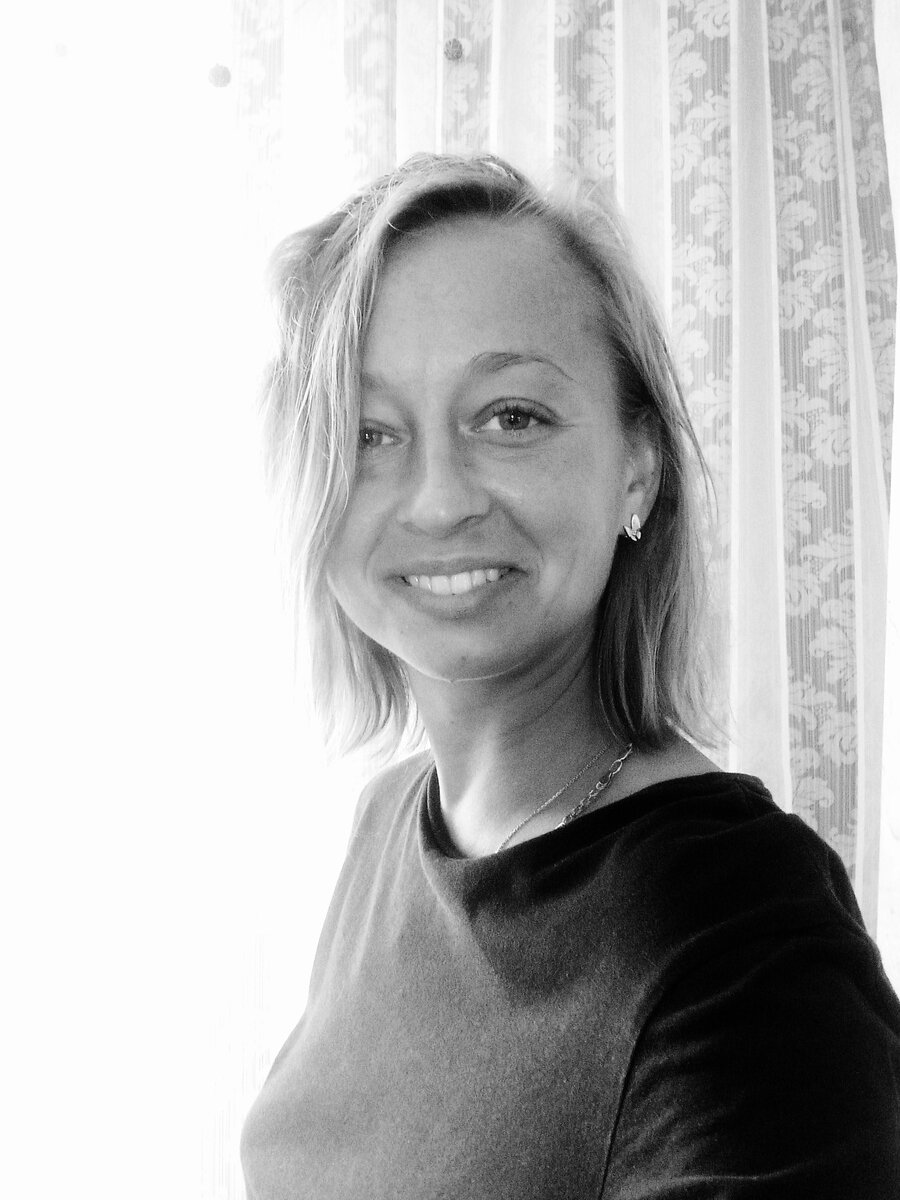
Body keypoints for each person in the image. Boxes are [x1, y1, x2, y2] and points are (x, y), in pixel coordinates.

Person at [240, 154, 900, 1198]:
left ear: (637, 469)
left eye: (511, 417)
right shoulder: (392, 823)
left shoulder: (742, 936)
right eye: (367, 433)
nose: (439, 500)